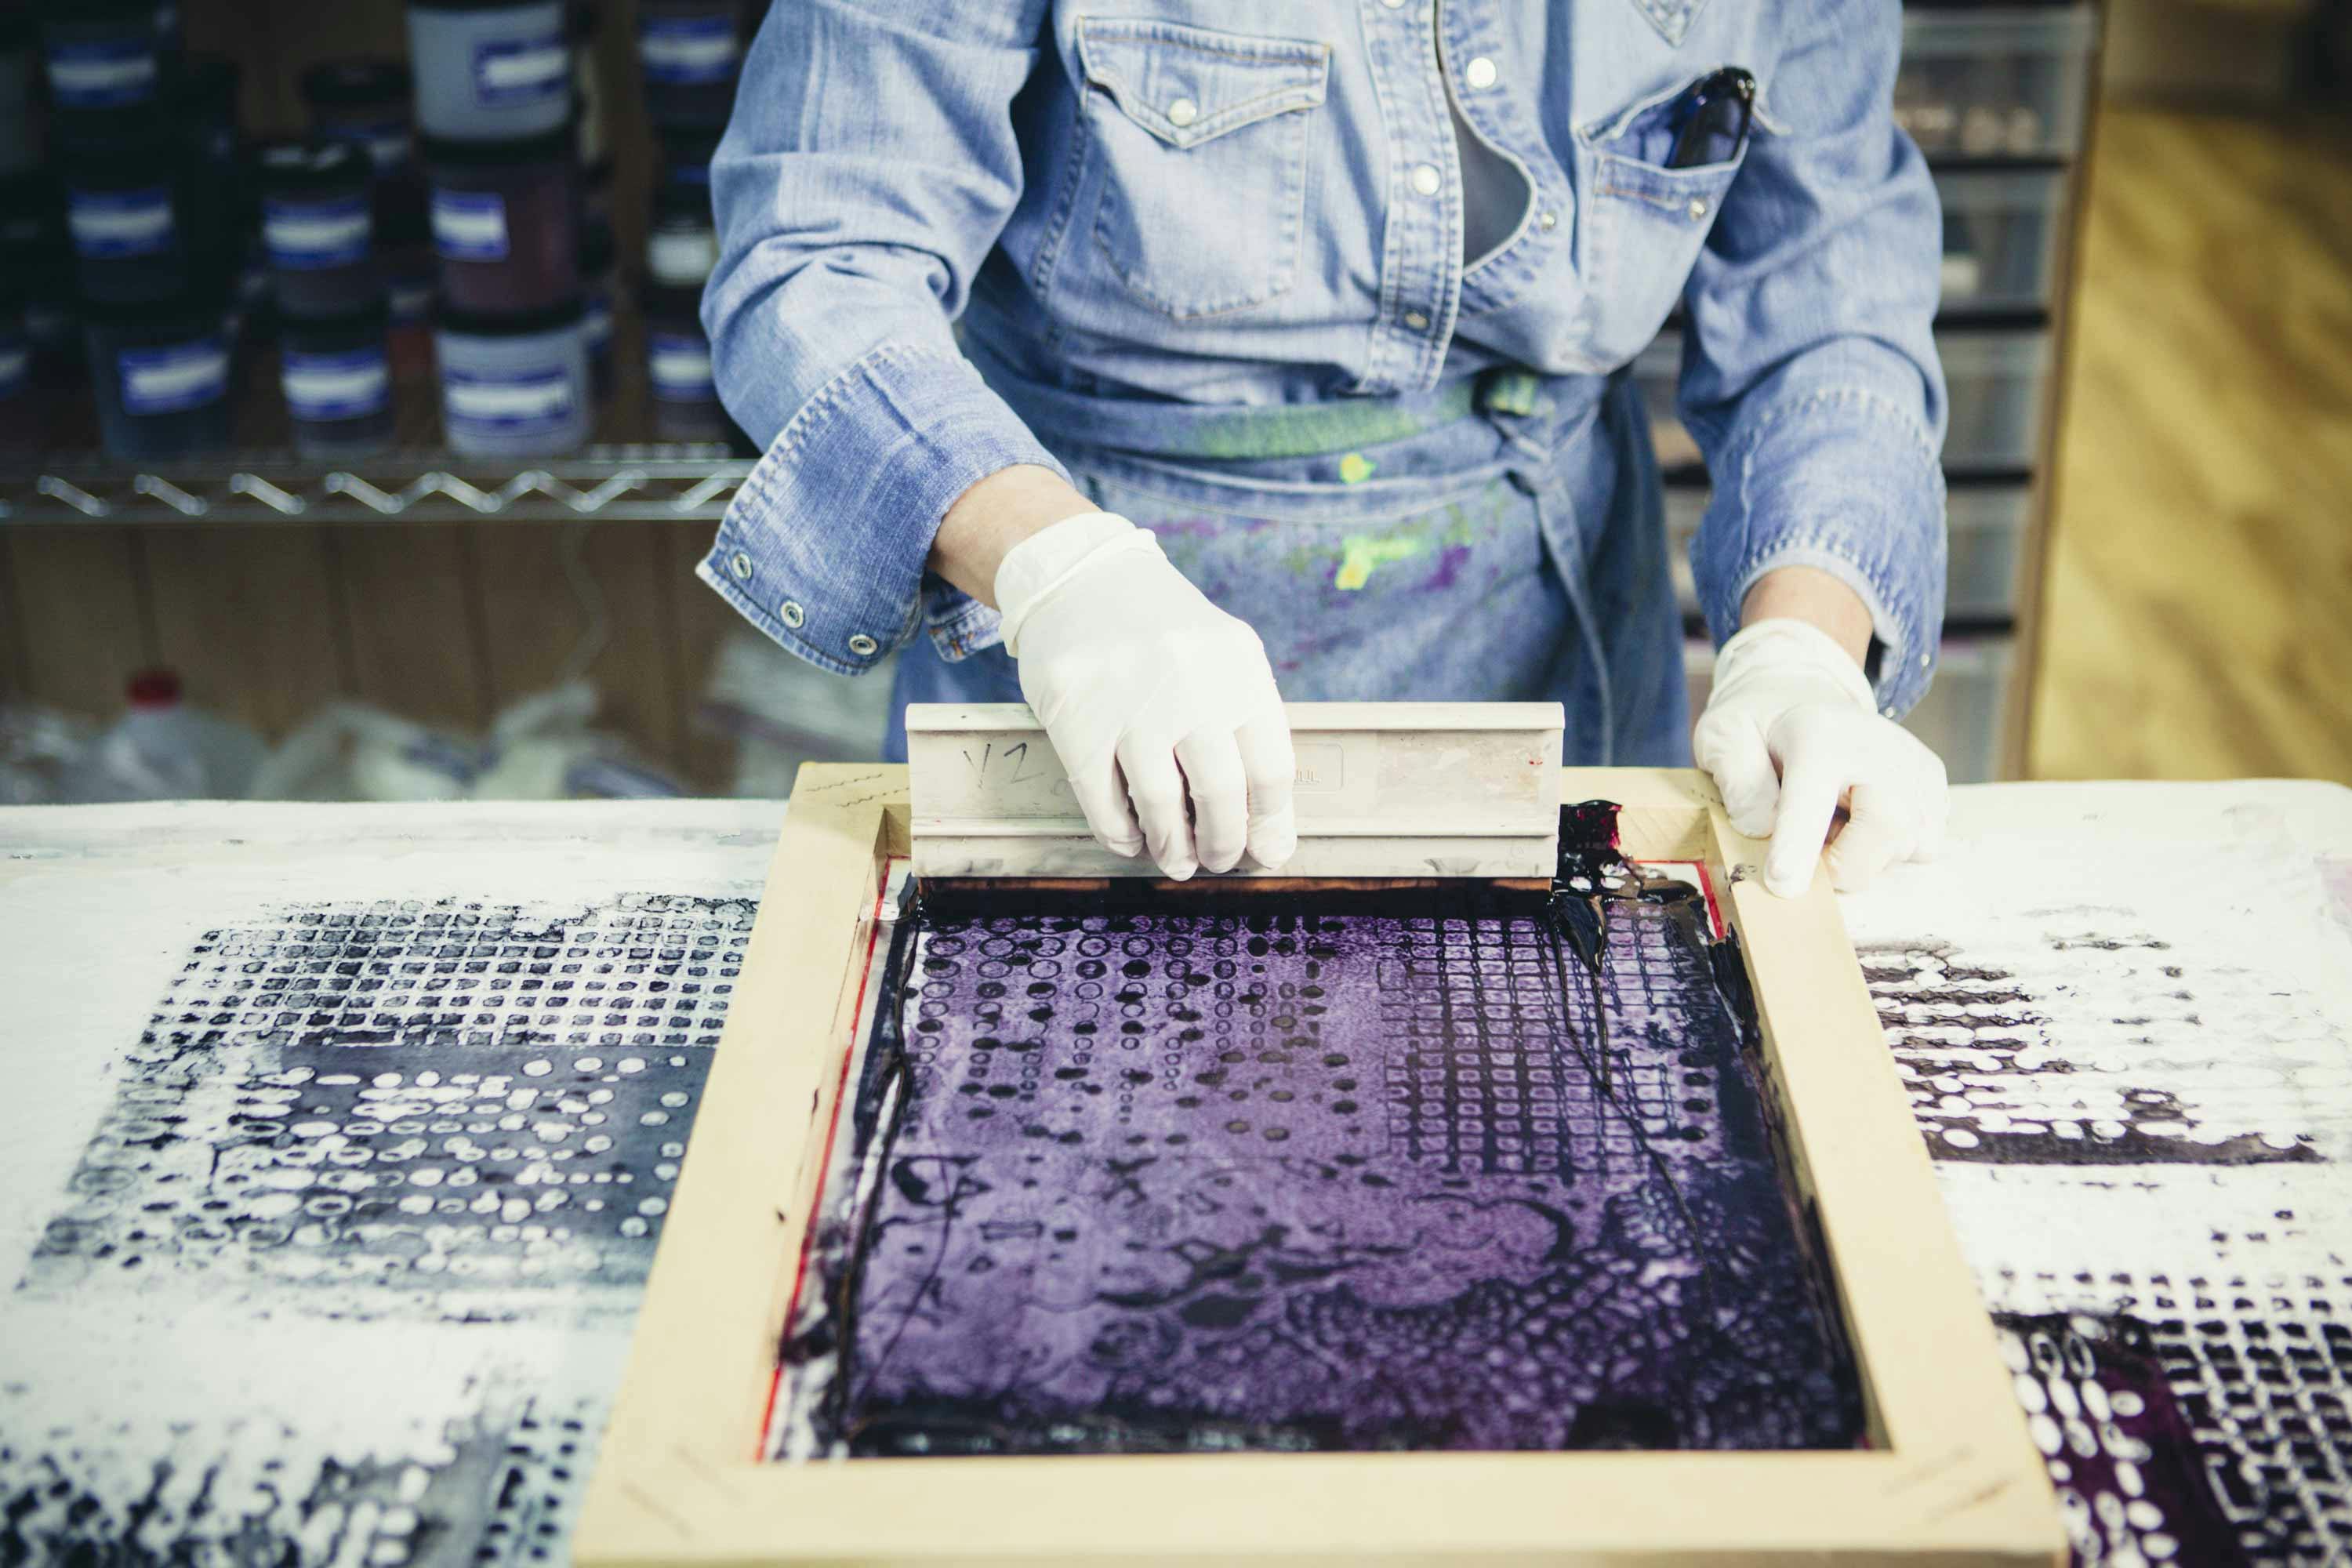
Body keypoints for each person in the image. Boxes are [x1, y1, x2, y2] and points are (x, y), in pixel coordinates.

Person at [696, 1, 1951, 897]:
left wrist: (1805, 653)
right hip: (1095, 649)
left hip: (1550, 626)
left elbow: (1827, 303)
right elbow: (817, 256)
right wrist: (1059, 572)